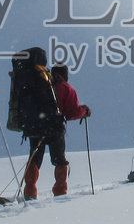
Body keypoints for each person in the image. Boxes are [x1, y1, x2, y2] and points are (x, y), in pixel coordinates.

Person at [23, 63, 90, 199]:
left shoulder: (37, 85)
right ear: (65, 75)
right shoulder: (66, 87)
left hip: (35, 127)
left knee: (34, 159)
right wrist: (85, 111)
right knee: (59, 159)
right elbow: (71, 113)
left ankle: (29, 192)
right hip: (55, 127)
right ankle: (60, 193)